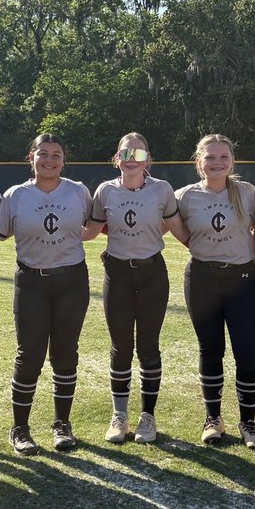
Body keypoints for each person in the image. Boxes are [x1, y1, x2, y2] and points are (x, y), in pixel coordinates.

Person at [0, 133, 92, 455]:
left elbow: (97, 226)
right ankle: (20, 428)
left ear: (64, 160)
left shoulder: (78, 191)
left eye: (56, 154)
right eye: (43, 153)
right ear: (31, 157)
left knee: (65, 352)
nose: (49, 160)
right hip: (31, 281)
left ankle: (62, 424)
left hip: (72, 281)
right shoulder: (16, 195)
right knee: (29, 354)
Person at [174, 134, 255, 448]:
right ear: (198, 162)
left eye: (223, 157)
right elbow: (171, 228)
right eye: (210, 157)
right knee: (210, 351)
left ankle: (248, 421)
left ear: (232, 161)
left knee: (248, 353)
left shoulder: (248, 192)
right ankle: (213, 418)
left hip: (241, 280)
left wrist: (249, 261)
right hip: (202, 279)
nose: (217, 163)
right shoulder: (184, 196)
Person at [83, 133, 179, 444]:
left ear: (148, 159)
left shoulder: (162, 190)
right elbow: (90, 231)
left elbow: (179, 229)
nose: (131, 159)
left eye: (138, 153)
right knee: (121, 347)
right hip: (118, 274)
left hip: (152, 274)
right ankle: (120, 415)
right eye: (125, 153)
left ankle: (147, 417)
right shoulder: (105, 190)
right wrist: (49, 233)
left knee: (148, 347)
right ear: (116, 158)